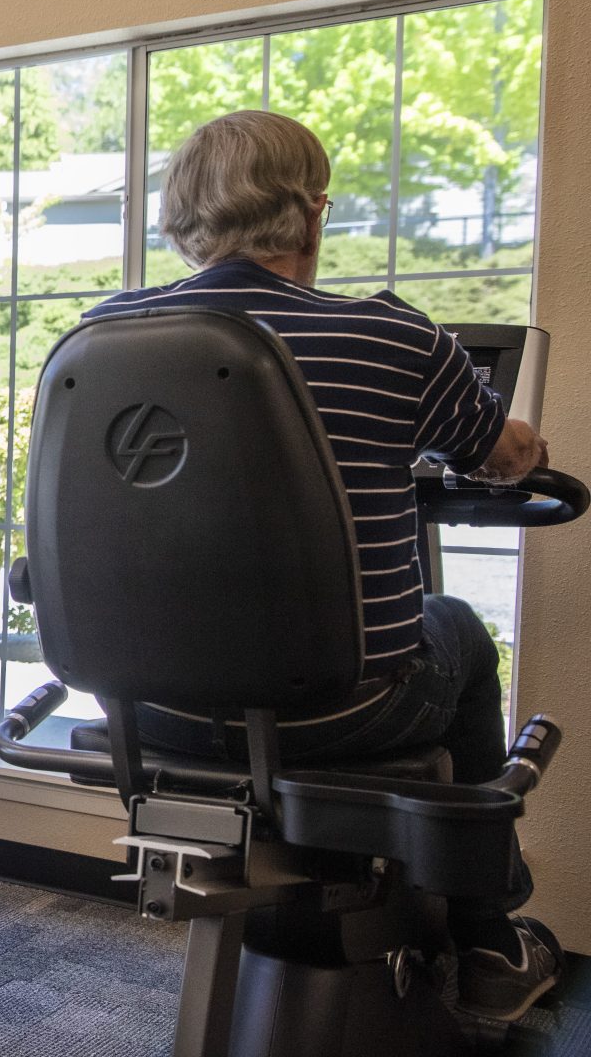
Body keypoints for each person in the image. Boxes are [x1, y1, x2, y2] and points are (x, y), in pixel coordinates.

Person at [89, 109, 555, 1020]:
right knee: (455, 626)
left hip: (147, 705)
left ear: (185, 220)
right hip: (338, 712)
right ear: (311, 215)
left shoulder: (99, 341)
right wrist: (526, 445)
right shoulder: (391, 339)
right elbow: (500, 457)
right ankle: (487, 932)